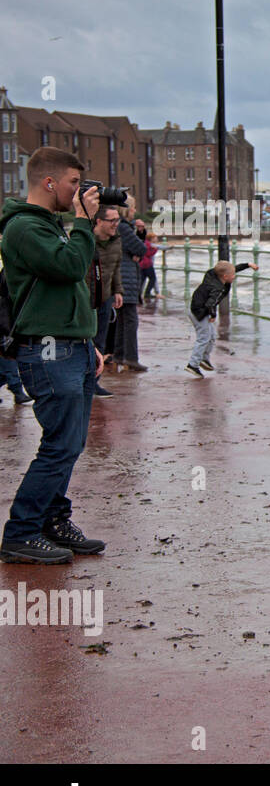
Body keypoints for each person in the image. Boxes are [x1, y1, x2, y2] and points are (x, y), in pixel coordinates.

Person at [0, 146, 108, 563]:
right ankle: (21, 532)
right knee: (59, 445)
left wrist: (88, 342)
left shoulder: (47, 225)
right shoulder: (25, 228)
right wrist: (83, 222)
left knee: (70, 443)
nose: (78, 191)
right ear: (49, 183)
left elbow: (68, 289)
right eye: (73, 183)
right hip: (47, 351)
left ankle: (53, 521)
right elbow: (68, 268)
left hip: (71, 347)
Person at [186, 258, 256, 377]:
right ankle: (193, 364)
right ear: (225, 276)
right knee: (203, 337)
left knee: (212, 336)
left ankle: (204, 359)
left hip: (198, 308)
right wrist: (213, 314)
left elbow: (231, 269)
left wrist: (248, 265)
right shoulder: (218, 288)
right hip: (199, 312)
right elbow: (210, 304)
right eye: (232, 275)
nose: (234, 276)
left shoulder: (212, 274)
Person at [88, 205, 123, 397]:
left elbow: (116, 267)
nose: (116, 224)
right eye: (112, 220)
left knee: (100, 340)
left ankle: (93, 383)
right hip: (86, 299)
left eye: (118, 220)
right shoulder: (85, 240)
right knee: (85, 341)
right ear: (99, 221)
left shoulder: (116, 241)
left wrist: (118, 290)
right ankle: (81, 382)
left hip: (106, 297)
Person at [112, 196, 147, 372]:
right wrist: (138, 249)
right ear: (127, 209)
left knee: (122, 319)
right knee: (130, 320)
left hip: (121, 277)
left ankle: (119, 355)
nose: (134, 212)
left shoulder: (119, 227)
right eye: (133, 208)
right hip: (126, 279)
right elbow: (141, 249)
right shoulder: (124, 228)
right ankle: (131, 357)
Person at [139, 231, 159, 300]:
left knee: (142, 279)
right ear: (152, 238)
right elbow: (148, 253)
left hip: (142, 264)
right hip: (147, 264)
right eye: (155, 238)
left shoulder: (145, 243)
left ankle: (139, 294)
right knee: (152, 278)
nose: (157, 239)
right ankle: (147, 293)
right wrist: (156, 250)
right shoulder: (148, 244)